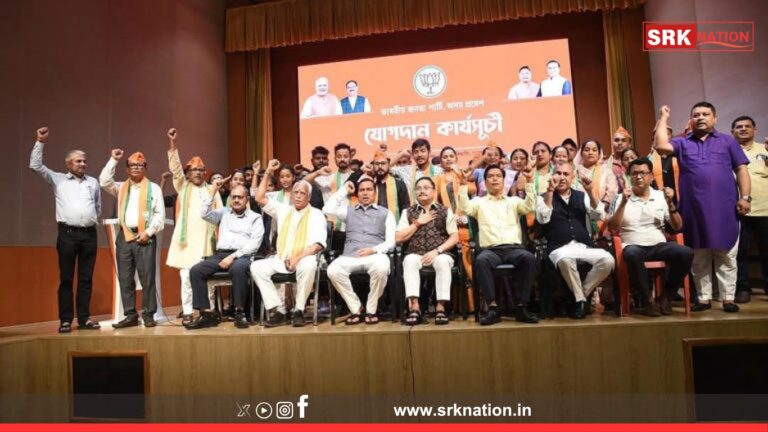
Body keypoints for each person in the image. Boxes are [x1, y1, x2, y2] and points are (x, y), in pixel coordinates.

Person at [654, 102, 751, 313]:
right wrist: (664, 117)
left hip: (725, 209)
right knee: (699, 255)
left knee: (726, 255)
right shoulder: (682, 142)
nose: (700, 118)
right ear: (691, 119)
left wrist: (745, 197)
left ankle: (728, 298)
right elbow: (660, 146)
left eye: (705, 114)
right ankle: (704, 298)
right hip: (693, 209)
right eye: (696, 115)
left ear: (714, 118)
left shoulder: (727, 141)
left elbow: (741, 169)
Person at [29, 126, 102, 333]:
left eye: (84, 161)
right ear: (68, 164)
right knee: (67, 279)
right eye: (78, 161)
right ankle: (66, 320)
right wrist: (40, 141)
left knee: (86, 279)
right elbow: (35, 166)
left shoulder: (93, 182)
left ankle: (84, 319)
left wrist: (88, 219)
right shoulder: (58, 179)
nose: (83, 164)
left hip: (89, 235)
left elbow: (97, 207)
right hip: (67, 235)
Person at [608, 157, 693, 316]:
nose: (638, 177)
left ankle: (666, 295)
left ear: (651, 176)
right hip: (632, 246)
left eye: (643, 173)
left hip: (658, 246)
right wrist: (623, 203)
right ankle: (647, 301)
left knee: (686, 253)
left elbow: (677, 227)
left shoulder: (661, 196)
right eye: (634, 174)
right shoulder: (620, 197)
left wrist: (671, 204)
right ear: (629, 176)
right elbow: (612, 228)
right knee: (633, 254)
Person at [458, 164, 539, 325]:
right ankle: (493, 307)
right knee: (481, 261)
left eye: (498, 176)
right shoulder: (479, 202)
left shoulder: (514, 201)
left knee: (529, 258)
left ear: (503, 180)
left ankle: (522, 307)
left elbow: (530, 206)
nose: (494, 179)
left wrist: (530, 181)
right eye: (490, 176)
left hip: (513, 249)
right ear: (485, 182)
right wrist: (463, 183)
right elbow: (465, 208)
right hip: (491, 251)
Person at [252, 160, 327, 327]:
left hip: (304, 258)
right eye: (295, 193)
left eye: (302, 193)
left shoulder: (317, 214)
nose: (298, 196)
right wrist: (268, 171)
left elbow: (317, 245)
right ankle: (279, 310)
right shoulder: (283, 210)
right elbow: (259, 197)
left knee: (309, 265)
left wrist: (296, 258)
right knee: (256, 267)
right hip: (282, 259)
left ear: (308, 197)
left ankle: (299, 310)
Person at [536, 161, 614, 319]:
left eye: (566, 174)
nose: (562, 177)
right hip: (559, 248)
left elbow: (598, 215)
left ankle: (579, 299)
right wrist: (550, 191)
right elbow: (543, 219)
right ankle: (580, 301)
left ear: (573, 177)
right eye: (558, 173)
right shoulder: (542, 197)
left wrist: (590, 191)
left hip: (583, 246)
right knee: (565, 260)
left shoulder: (582, 196)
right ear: (552, 175)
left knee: (608, 260)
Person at [184, 180, 264, 330]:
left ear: (247, 199)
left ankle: (239, 312)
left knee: (238, 268)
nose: (236, 200)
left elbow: (254, 244)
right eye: (234, 197)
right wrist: (213, 191)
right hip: (220, 254)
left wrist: (233, 256)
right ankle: (206, 314)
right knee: (196, 270)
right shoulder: (223, 213)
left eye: (240, 197)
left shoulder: (255, 217)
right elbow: (204, 214)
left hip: (243, 256)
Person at [99, 149, 164, 328]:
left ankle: (148, 314)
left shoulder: (154, 188)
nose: (136, 167)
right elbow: (104, 181)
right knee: (125, 278)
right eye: (132, 165)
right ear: (127, 169)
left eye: (139, 165)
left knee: (147, 277)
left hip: (145, 237)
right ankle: (130, 315)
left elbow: (159, 215)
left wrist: (148, 232)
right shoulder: (121, 187)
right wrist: (113, 159)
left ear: (145, 168)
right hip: (125, 236)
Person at [164, 128, 221, 325]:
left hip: (207, 241)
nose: (197, 172)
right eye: (193, 170)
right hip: (187, 242)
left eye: (200, 170)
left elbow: (220, 216)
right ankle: (188, 311)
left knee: (208, 279)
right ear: (188, 173)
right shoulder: (182, 187)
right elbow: (175, 168)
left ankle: (208, 311)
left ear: (205, 173)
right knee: (186, 275)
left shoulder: (212, 190)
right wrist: (173, 143)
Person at [324, 177, 395, 325]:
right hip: (350, 256)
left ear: (375, 193)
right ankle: (356, 308)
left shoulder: (386, 213)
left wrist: (373, 250)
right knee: (332, 270)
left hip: (374, 255)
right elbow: (327, 209)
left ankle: (371, 310)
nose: (365, 193)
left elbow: (391, 242)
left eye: (369, 189)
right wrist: (344, 190)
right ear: (357, 194)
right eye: (362, 190)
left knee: (382, 268)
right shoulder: (349, 211)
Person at [396, 177, 459, 325]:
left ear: (434, 191)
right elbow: (398, 238)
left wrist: (437, 251)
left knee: (443, 261)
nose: (422, 191)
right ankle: (414, 307)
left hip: (439, 253)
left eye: (426, 187)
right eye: (418, 188)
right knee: (409, 261)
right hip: (415, 253)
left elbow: (455, 237)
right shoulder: (408, 212)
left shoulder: (445, 211)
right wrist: (418, 223)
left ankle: (441, 307)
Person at [732, 115, 768, 303]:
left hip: (765, 209)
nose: (743, 129)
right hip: (737, 210)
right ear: (732, 132)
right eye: (739, 127)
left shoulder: (765, 150)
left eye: (747, 126)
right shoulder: (727, 150)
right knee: (740, 253)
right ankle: (743, 288)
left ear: (755, 130)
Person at [576, 139, 618, 213]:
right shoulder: (575, 171)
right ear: (581, 153)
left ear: (599, 154)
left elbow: (612, 191)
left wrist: (599, 209)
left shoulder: (606, 171)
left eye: (594, 150)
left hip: (601, 212)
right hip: (577, 211)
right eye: (587, 150)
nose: (590, 153)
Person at [370, 150, 410, 219]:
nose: (380, 166)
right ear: (373, 166)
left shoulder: (399, 184)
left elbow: (405, 207)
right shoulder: (370, 184)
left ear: (389, 165)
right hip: (374, 223)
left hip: (395, 223)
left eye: (383, 163)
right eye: (377, 164)